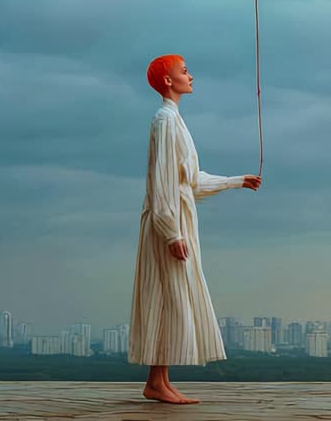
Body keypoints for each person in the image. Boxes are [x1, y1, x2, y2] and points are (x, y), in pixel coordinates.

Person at [128, 54, 262, 404]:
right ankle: (156, 382)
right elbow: (163, 183)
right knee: (169, 296)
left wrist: (236, 181)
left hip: (176, 217)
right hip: (168, 220)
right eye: (184, 71)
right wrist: (171, 232)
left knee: (171, 297)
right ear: (169, 81)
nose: (191, 76)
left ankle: (159, 380)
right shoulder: (165, 121)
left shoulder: (175, 121)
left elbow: (191, 182)